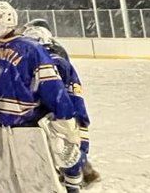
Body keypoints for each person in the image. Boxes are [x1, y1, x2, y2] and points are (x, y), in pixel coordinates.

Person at [0, 0, 79, 192]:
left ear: (8, 18)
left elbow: (51, 85)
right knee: (1, 184)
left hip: (27, 131)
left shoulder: (30, 48)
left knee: (35, 183)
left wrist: (64, 118)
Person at [22, 24, 97, 192]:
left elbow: (54, 93)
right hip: (70, 110)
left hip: (62, 113)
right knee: (69, 149)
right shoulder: (57, 57)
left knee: (63, 148)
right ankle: (79, 171)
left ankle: (74, 179)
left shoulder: (52, 62)